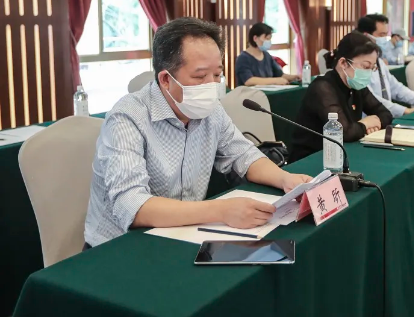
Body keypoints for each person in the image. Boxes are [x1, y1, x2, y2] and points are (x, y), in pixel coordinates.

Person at [84, 17, 312, 248]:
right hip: (121, 246)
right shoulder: (127, 117)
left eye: (217, 75)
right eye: (200, 77)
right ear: (166, 79)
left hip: (183, 232)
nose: (211, 86)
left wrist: (286, 179)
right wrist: (220, 211)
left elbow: (244, 155)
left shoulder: (211, 111)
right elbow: (132, 205)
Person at [289, 32, 393, 163]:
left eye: (372, 68)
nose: (368, 73)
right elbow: (343, 132)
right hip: (311, 159)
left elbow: (386, 114)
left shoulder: (356, 85)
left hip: (342, 155)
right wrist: (365, 124)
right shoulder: (322, 88)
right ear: (343, 63)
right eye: (366, 67)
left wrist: (372, 123)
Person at [355, 27, 414, 117]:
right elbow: (372, 99)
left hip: (384, 116)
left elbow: (397, 88)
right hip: (370, 118)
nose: (384, 38)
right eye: (381, 34)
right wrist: (405, 110)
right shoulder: (358, 70)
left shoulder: (380, 62)